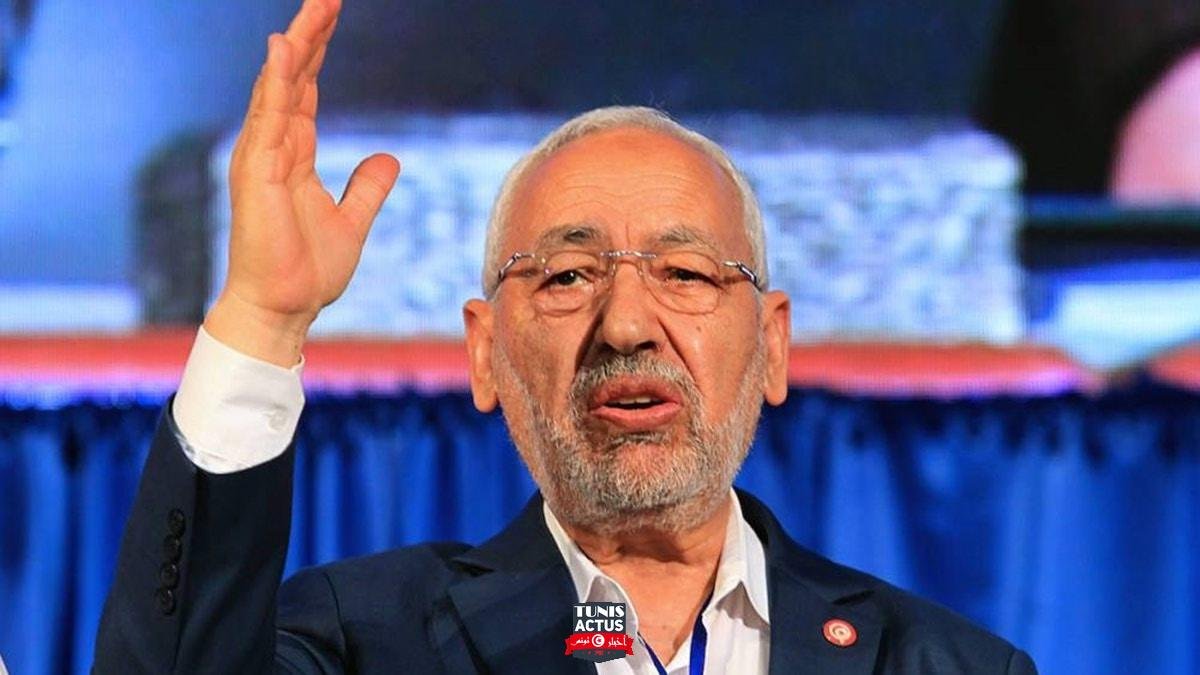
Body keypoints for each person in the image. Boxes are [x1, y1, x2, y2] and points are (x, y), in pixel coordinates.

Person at [92, 0, 1037, 672]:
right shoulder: (366, 640)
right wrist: (263, 316)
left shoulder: (945, 663)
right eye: (567, 276)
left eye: (685, 273)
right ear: (485, 353)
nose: (625, 326)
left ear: (773, 343)